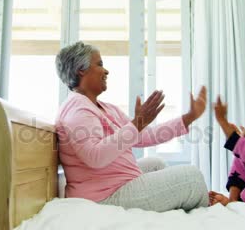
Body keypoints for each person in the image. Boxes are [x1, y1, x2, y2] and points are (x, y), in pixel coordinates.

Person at [55, 41, 210, 212]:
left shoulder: (104, 108)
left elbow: (145, 136)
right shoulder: (77, 109)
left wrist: (189, 118)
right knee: (192, 178)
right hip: (103, 196)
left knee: (155, 163)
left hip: (115, 182)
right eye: (99, 64)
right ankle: (206, 209)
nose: (106, 71)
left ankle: (173, 209)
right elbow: (95, 157)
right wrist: (137, 124)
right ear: (81, 70)